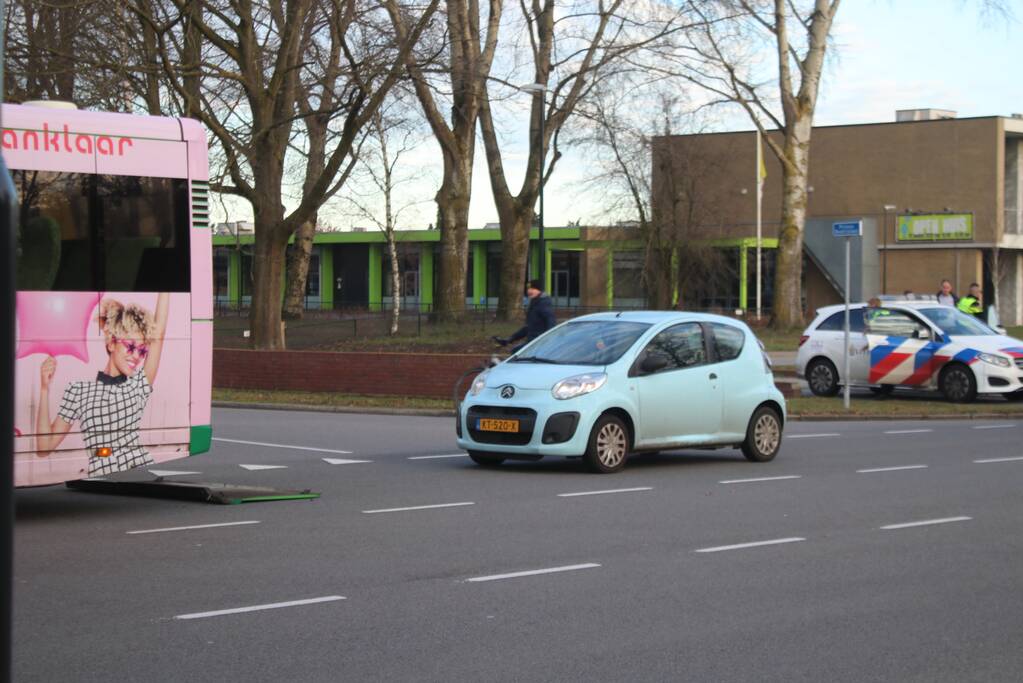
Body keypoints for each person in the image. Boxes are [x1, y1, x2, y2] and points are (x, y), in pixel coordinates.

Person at [35, 293, 169, 476]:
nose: (136, 356)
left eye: (142, 350)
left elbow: (159, 333)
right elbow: (44, 446)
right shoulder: (79, 391)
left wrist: (168, 279)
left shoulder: (139, 384)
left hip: (142, 474)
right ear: (112, 343)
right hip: (104, 482)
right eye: (130, 347)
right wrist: (44, 389)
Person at [494, 279, 556, 353]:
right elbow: (529, 327)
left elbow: (551, 322)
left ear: (539, 290)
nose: (529, 291)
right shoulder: (534, 303)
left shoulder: (544, 304)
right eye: (528, 289)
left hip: (539, 343)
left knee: (517, 352)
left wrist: (548, 339)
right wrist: (510, 339)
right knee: (516, 351)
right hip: (533, 341)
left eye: (532, 289)